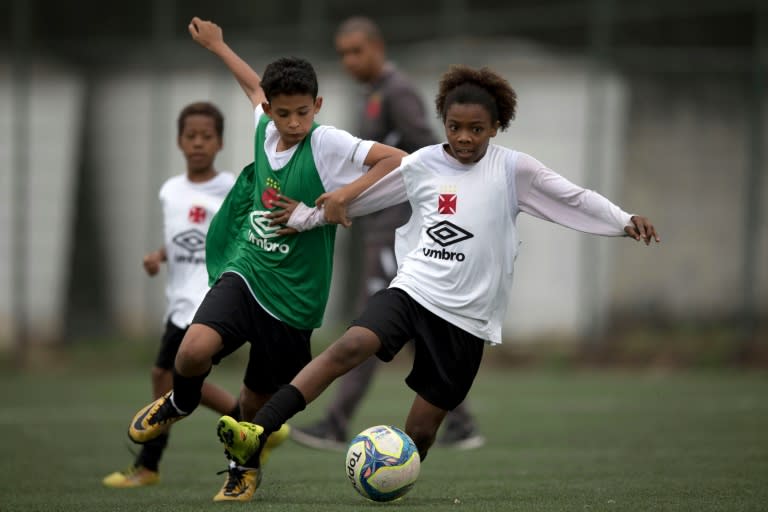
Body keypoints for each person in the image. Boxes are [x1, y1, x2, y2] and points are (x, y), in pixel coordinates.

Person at [211, 64, 661, 486]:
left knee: (420, 434)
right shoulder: (422, 162)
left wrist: (623, 220)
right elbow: (361, 201)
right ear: (443, 122)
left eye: (476, 129)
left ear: (496, 127)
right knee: (350, 345)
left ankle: (392, 479)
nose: (464, 138)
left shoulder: (512, 169)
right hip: (413, 288)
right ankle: (258, 428)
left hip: (466, 318)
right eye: (455, 127)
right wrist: (307, 217)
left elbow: (573, 198)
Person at [124, 17, 406, 502]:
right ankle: (179, 401)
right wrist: (218, 45)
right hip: (248, 271)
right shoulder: (265, 123)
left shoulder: (327, 142)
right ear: (270, 111)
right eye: (283, 114)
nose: (293, 123)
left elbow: (396, 159)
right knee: (189, 352)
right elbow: (252, 84)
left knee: (251, 406)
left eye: (303, 112)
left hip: (294, 299)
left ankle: (243, 469)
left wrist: (338, 198)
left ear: (317, 106)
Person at [290, 16, 484, 452]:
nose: (349, 60)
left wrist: (421, 211)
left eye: (356, 51)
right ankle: (461, 423)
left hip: (400, 226)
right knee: (415, 326)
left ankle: (337, 422)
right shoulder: (373, 94)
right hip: (381, 225)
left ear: (378, 48)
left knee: (368, 322)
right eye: (342, 53)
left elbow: (432, 152)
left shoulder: (396, 92)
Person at [102, 102, 241, 488]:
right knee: (173, 379)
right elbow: (180, 239)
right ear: (179, 141)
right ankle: (251, 420)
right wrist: (158, 256)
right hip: (178, 301)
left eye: (206, 136)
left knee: (166, 378)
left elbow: (235, 237)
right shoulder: (170, 191)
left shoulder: (231, 188)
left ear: (220, 142)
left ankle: (149, 466)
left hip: (207, 302)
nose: (198, 143)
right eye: (190, 136)